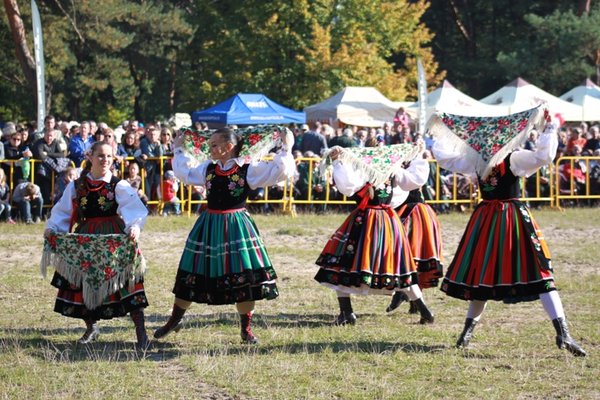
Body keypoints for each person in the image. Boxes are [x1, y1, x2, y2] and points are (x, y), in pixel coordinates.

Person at [429, 106, 586, 356]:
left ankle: (561, 333)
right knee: (529, 272)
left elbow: (445, 158)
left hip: (490, 219)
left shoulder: (489, 159)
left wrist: (438, 133)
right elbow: (543, 157)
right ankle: (561, 333)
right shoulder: (507, 158)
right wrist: (549, 129)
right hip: (507, 218)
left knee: (492, 275)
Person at [154, 126, 295, 343]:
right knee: (191, 272)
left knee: (244, 278)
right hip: (209, 224)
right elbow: (185, 174)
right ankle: (174, 320)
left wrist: (287, 147)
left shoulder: (248, 168)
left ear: (228, 147)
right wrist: (179, 149)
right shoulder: (208, 168)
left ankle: (246, 329)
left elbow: (280, 172)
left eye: (214, 145)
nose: (209, 149)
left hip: (237, 226)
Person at [42, 142, 150, 348]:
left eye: (109, 156)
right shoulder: (76, 185)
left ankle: (141, 332)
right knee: (82, 282)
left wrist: (135, 227)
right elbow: (63, 211)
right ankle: (91, 326)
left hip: (113, 238)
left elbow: (135, 209)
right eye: (101, 155)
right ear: (89, 156)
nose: (105, 160)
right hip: (86, 239)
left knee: (128, 282)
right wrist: (53, 229)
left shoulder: (119, 185)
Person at [314, 144, 436, 326]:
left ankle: (346, 313)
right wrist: (417, 155)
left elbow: (347, 187)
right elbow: (413, 182)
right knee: (396, 268)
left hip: (365, 221)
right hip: (387, 220)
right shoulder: (392, 168)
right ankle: (425, 311)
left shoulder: (361, 168)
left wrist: (339, 162)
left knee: (342, 264)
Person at [386, 154, 444, 314]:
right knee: (409, 256)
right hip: (406, 213)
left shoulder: (415, 165)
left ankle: (407, 297)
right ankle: (408, 298)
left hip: (414, 213)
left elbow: (413, 181)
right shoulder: (396, 166)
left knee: (413, 255)